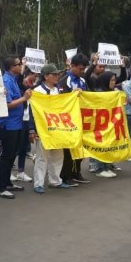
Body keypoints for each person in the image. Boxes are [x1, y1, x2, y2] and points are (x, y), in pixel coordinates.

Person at [0, 56, 32, 199]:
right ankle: (0, 187)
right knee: (6, 156)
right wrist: (24, 98)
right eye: (18, 64)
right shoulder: (6, 81)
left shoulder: (14, 79)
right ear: (11, 67)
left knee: (12, 155)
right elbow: (7, 105)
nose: (21, 66)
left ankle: (7, 183)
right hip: (8, 124)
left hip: (16, 123)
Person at [29, 64, 71, 193]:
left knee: (58, 155)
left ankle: (55, 180)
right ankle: (38, 183)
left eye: (57, 74)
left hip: (57, 127)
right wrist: (32, 129)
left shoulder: (59, 90)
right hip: (43, 128)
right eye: (54, 74)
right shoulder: (36, 91)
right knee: (42, 157)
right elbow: (31, 111)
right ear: (46, 76)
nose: (57, 76)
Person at [58, 53, 90, 185]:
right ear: (72, 66)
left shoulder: (83, 81)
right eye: (80, 69)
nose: (82, 72)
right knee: (68, 150)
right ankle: (65, 176)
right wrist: (71, 95)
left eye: (84, 69)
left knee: (80, 148)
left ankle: (77, 173)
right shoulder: (63, 80)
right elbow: (60, 100)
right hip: (68, 120)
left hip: (82, 119)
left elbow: (89, 97)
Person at [88, 71, 120, 177]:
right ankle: (99, 169)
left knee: (108, 145)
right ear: (106, 80)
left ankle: (106, 167)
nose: (113, 82)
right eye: (111, 80)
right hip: (100, 123)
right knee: (100, 146)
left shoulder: (112, 92)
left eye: (114, 80)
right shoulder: (98, 92)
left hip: (109, 123)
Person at [10, 67, 36, 183]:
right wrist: (23, 67)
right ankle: (9, 171)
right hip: (18, 120)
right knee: (14, 148)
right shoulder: (17, 86)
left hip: (27, 120)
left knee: (23, 148)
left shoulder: (31, 88)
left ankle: (21, 172)